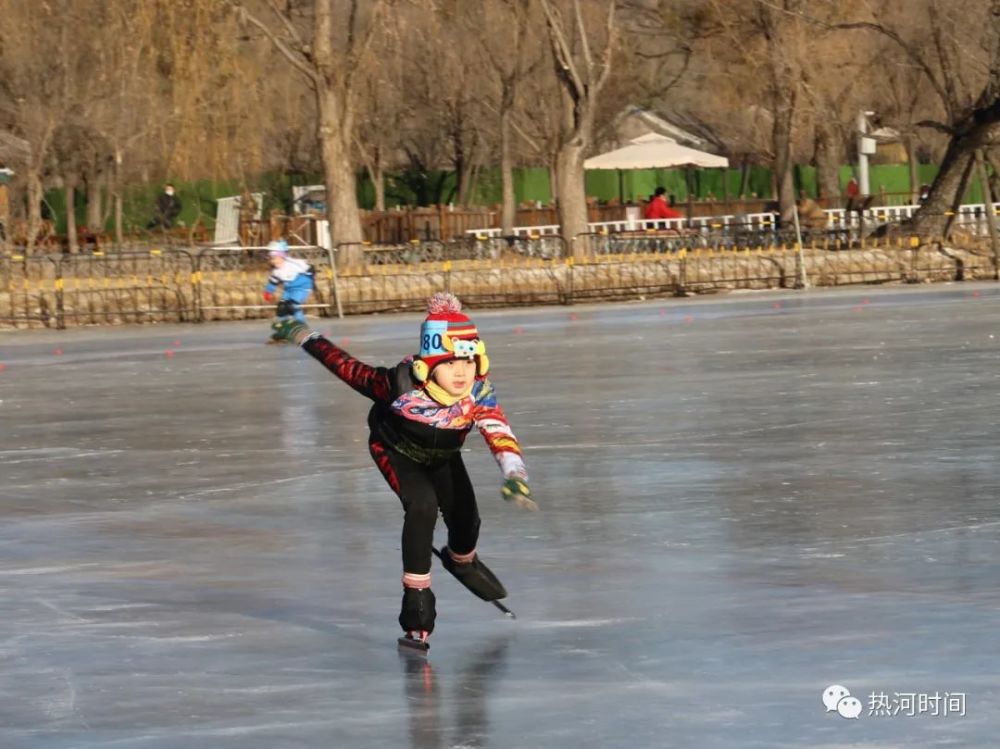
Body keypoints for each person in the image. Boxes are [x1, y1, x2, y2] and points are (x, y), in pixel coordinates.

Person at [269, 291, 536, 646]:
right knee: (422, 506)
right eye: (450, 363)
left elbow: (498, 431)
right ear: (429, 364)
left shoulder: (478, 392)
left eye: (469, 362)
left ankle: (461, 561)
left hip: (442, 455)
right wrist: (304, 336)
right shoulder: (399, 384)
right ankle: (417, 610)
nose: (461, 372)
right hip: (397, 450)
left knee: (467, 519)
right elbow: (346, 367)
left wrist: (514, 474)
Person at [263, 239, 315, 341]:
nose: (274, 262)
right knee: (282, 307)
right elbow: (273, 282)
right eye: (272, 259)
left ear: (282, 256)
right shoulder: (276, 271)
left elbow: (310, 269)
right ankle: (283, 329)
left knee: (292, 305)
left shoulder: (293, 264)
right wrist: (268, 292)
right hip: (288, 289)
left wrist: (309, 280)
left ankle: (302, 328)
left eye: (276, 259)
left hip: (301, 288)